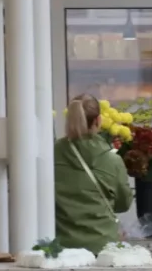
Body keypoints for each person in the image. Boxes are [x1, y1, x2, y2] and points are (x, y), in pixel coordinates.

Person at [54, 94, 133, 253]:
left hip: (63, 248)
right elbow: (124, 204)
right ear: (98, 121)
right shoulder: (112, 161)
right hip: (103, 248)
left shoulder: (52, 155)